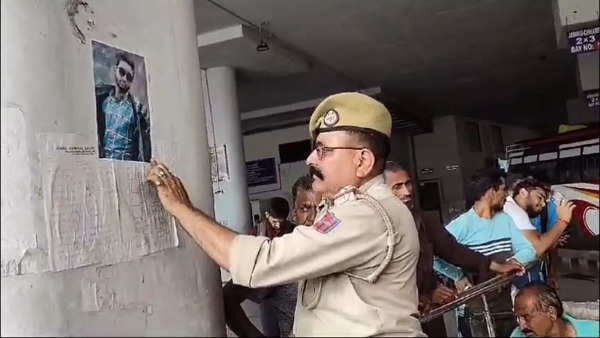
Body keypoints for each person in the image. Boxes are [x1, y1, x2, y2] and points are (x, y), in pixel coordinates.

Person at [147, 92, 425, 336]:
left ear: (362, 161)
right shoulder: (359, 208)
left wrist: (181, 209)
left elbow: (260, 264)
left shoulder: (365, 215)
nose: (310, 159)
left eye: (323, 150)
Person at [383, 161, 525, 336]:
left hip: (429, 313)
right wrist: (422, 295)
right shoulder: (371, 227)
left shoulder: (423, 221)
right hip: (392, 320)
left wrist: (496, 266)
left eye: (408, 184)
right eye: (397, 187)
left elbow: (452, 250)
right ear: (380, 191)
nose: (407, 191)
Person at [433, 168, 536, 337]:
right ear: (490, 191)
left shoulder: (505, 219)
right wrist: (458, 276)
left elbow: (529, 250)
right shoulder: (462, 225)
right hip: (474, 310)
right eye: (503, 190)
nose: (506, 195)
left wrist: (511, 263)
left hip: (505, 306)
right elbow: (435, 258)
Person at [224, 188, 318, 337]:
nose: (314, 216)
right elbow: (227, 298)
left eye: (322, 207)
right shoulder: (278, 254)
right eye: (305, 208)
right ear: (295, 213)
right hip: (269, 296)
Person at [504, 177, 574, 294]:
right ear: (523, 192)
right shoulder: (513, 211)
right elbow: (537, 247)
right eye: (539, 197)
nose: (542, 204)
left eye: (544, 201)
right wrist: (563, 221)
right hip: (520, 278)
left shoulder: (518, 211)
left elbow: (543, 245)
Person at [96, 52, 151, 162]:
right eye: (122, 72)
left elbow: (145, 141)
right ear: (115, 70)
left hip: (126, 167)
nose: (124, 79)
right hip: (104, 165)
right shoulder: (103, 101)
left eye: (129, 77)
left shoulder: (135, 109)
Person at [511, 282, 599, 337]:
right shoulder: (517, 335)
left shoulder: (594, 331)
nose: (522, 326)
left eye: (527, 317)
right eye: (518, 318)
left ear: (551, 313)